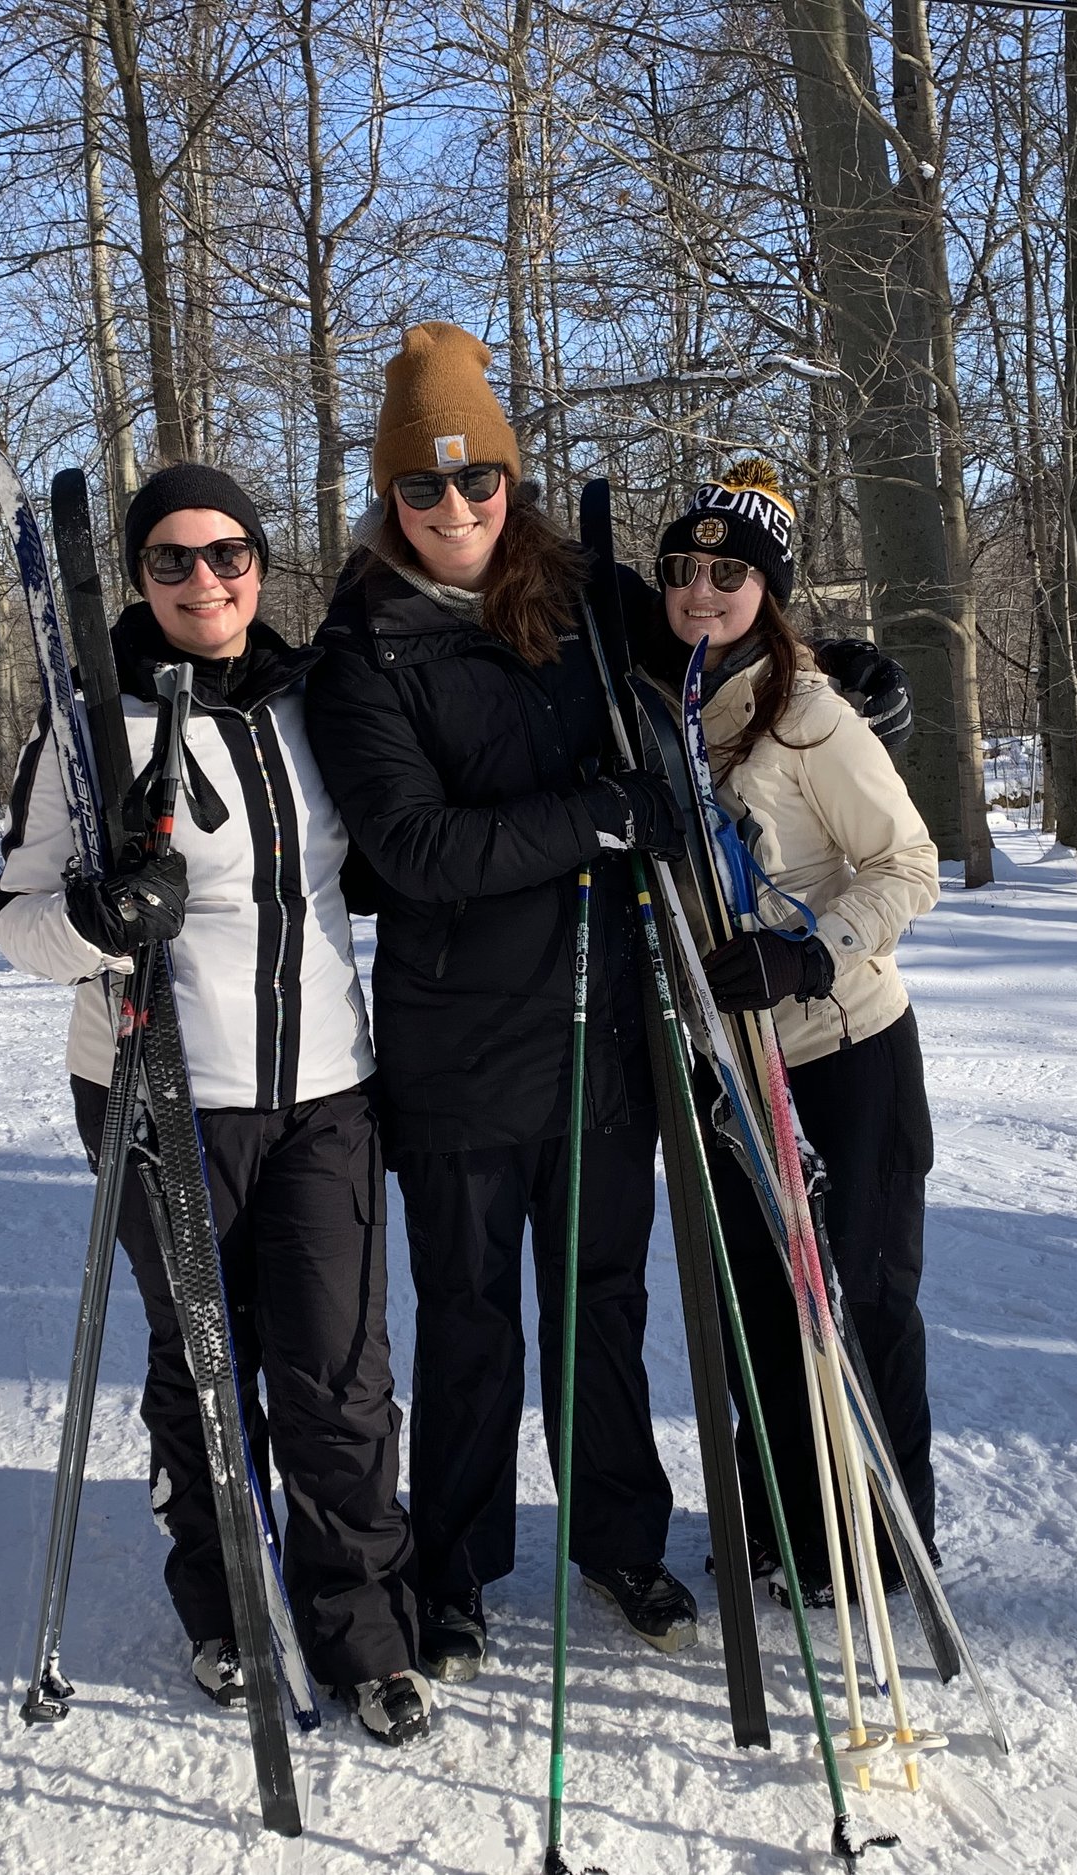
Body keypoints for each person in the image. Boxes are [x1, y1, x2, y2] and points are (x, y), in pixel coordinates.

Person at [0, 463, 431, 1745]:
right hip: (158, 1093)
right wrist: (94, 919)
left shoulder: (315, 707)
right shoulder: (91, 734)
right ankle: (230, 1612)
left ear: (261, 564)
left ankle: (364, 1633)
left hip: (327, 1095)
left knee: (340, 1375)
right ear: (137, 578)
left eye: (228, 554)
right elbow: (14, 922)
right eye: (173, 560)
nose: (205, 581)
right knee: (205, 1362)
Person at [304, 323, 702, 1679]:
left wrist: (829, 682)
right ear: (390, 498)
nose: (457, 510)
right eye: (425, 488)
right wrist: (592, 818)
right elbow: (413, 850)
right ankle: (461, 1562)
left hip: (600, 1022)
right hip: (458, 1042)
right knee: (469, 1314)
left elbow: (714, 659)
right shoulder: (360, 645)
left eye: (480, 483)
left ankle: (617, 1534)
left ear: (512, 482)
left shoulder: (586, 591)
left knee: (600, 1300)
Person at [641, 458, 943, 1599]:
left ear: (768, 589)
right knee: (762, 1304)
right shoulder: (668, 714)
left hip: (846, 1052)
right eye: (684, 571)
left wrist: (807, 951)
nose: (703, 590)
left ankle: (876, 1541)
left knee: (857, 1303)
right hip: (734, 1062)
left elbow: (907, 868)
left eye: (729, 573)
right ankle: (785, 1523)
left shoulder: (812, 713)